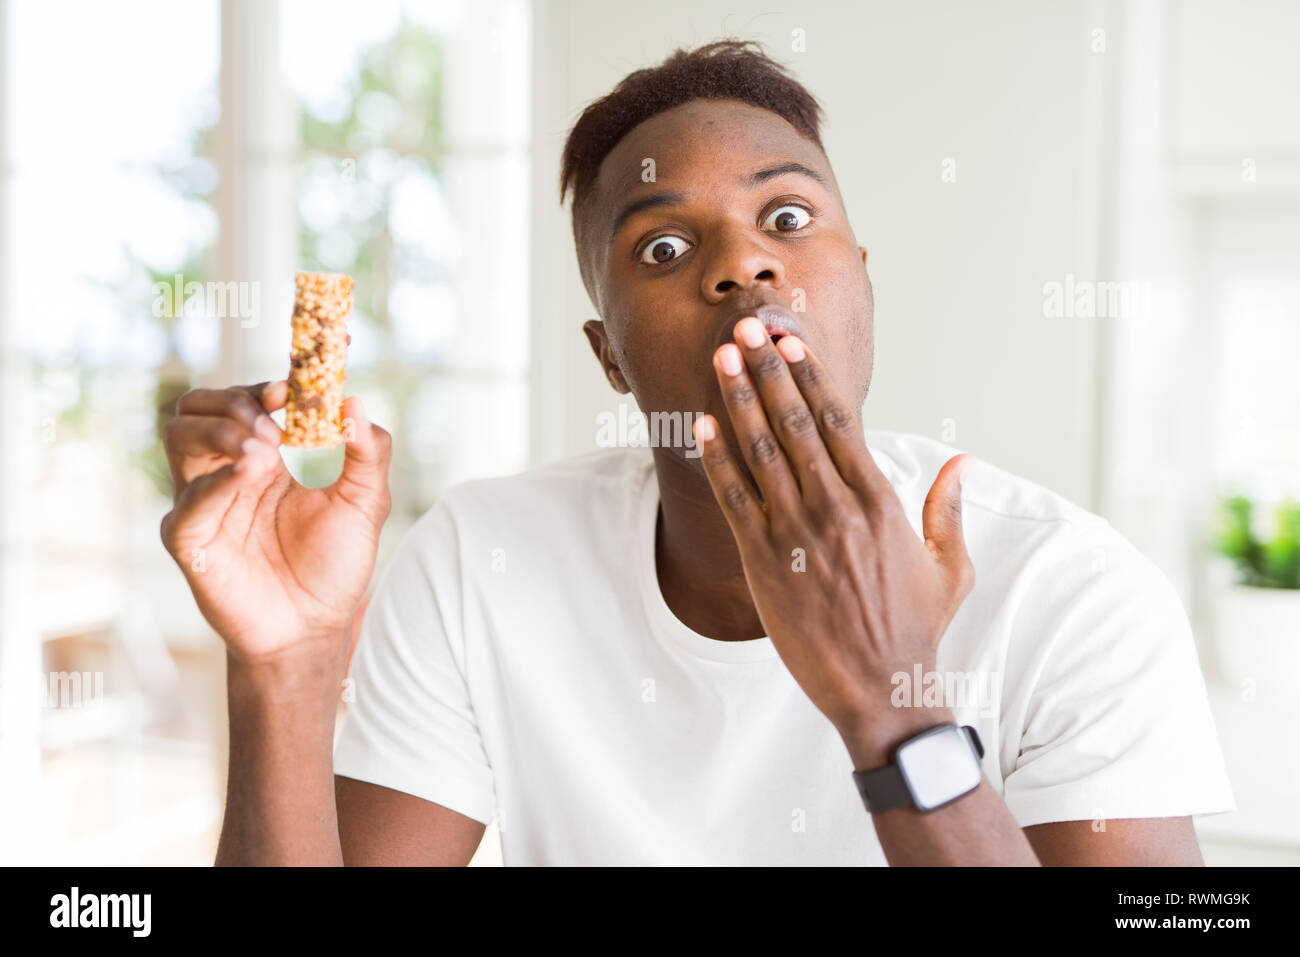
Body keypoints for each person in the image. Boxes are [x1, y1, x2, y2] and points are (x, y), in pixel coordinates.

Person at [160, 40, 1233, 865]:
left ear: (861, 284)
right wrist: (285, 668)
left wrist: (893, 712)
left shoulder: (1072, 590)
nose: (742, 268)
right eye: (663, 246)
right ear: (610, 357)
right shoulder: (481, 561)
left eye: (787, 215)